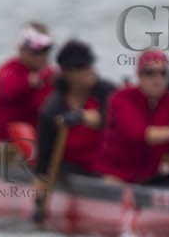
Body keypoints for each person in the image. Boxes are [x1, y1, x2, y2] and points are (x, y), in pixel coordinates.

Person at [97, 49, 169, 186]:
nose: (157, 79)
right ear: (139, 76)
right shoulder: (120, 99)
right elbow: (138, 135)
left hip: (147, 179)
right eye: (150, 73)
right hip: (115, 176)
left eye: (163, 73)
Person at [35, 39, 115, 176]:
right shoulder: (53, 109)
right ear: (68, 73)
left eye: (91, 65)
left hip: (107, 166)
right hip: (70, 170)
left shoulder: (107, 93)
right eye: (84, 67)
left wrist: (81, 116)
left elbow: (114, 122)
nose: (91, 71)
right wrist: (41, 179)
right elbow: (44, 156)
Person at [0, 22, 56, 147]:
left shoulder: (52, 77)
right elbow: (9, 89)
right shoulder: (7, 71)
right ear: (21, 49)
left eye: (46, 50)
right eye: (35, 51)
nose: (41, 56)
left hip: (34, 148)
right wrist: (32, 81)